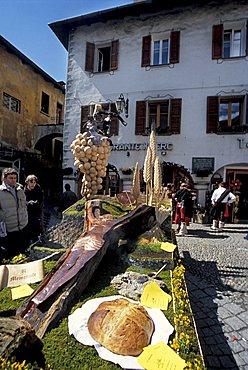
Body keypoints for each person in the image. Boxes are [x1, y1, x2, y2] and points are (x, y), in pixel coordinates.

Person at [0, 168, 28, 260]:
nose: (13, 180)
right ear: (4, 178)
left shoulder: (20, 190)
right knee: (9, 256)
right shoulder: (0, 192)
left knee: (22, 255)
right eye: (10, 178)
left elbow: (23, 206)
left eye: (15, 178)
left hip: (22, 227)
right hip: (8, 230)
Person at [24, 174, 44, 244]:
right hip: (26, 213)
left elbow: (39, 202)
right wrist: (29, 203)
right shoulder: (24, 191)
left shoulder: (39, 191)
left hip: (36, 213)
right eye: (31, 182)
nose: (33, 184)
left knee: (37, 227)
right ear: (27, 182)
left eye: (34, 182)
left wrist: (31, 203)